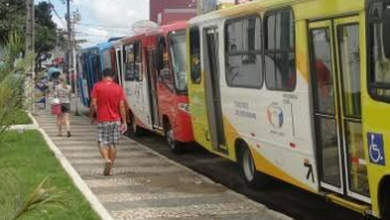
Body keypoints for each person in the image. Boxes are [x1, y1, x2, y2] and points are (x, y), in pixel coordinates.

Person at [90, 68, 127, 176]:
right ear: (113, 76)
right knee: (112, 144)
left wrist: (91, 116)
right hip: (115, 120)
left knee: (101, 142)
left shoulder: (97, 86)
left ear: (103, 76)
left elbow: (93, 104)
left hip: (102, 120)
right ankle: (110, 169)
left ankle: (106, 159)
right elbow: (122, 106)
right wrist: (124, 121)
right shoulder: (118, 88)